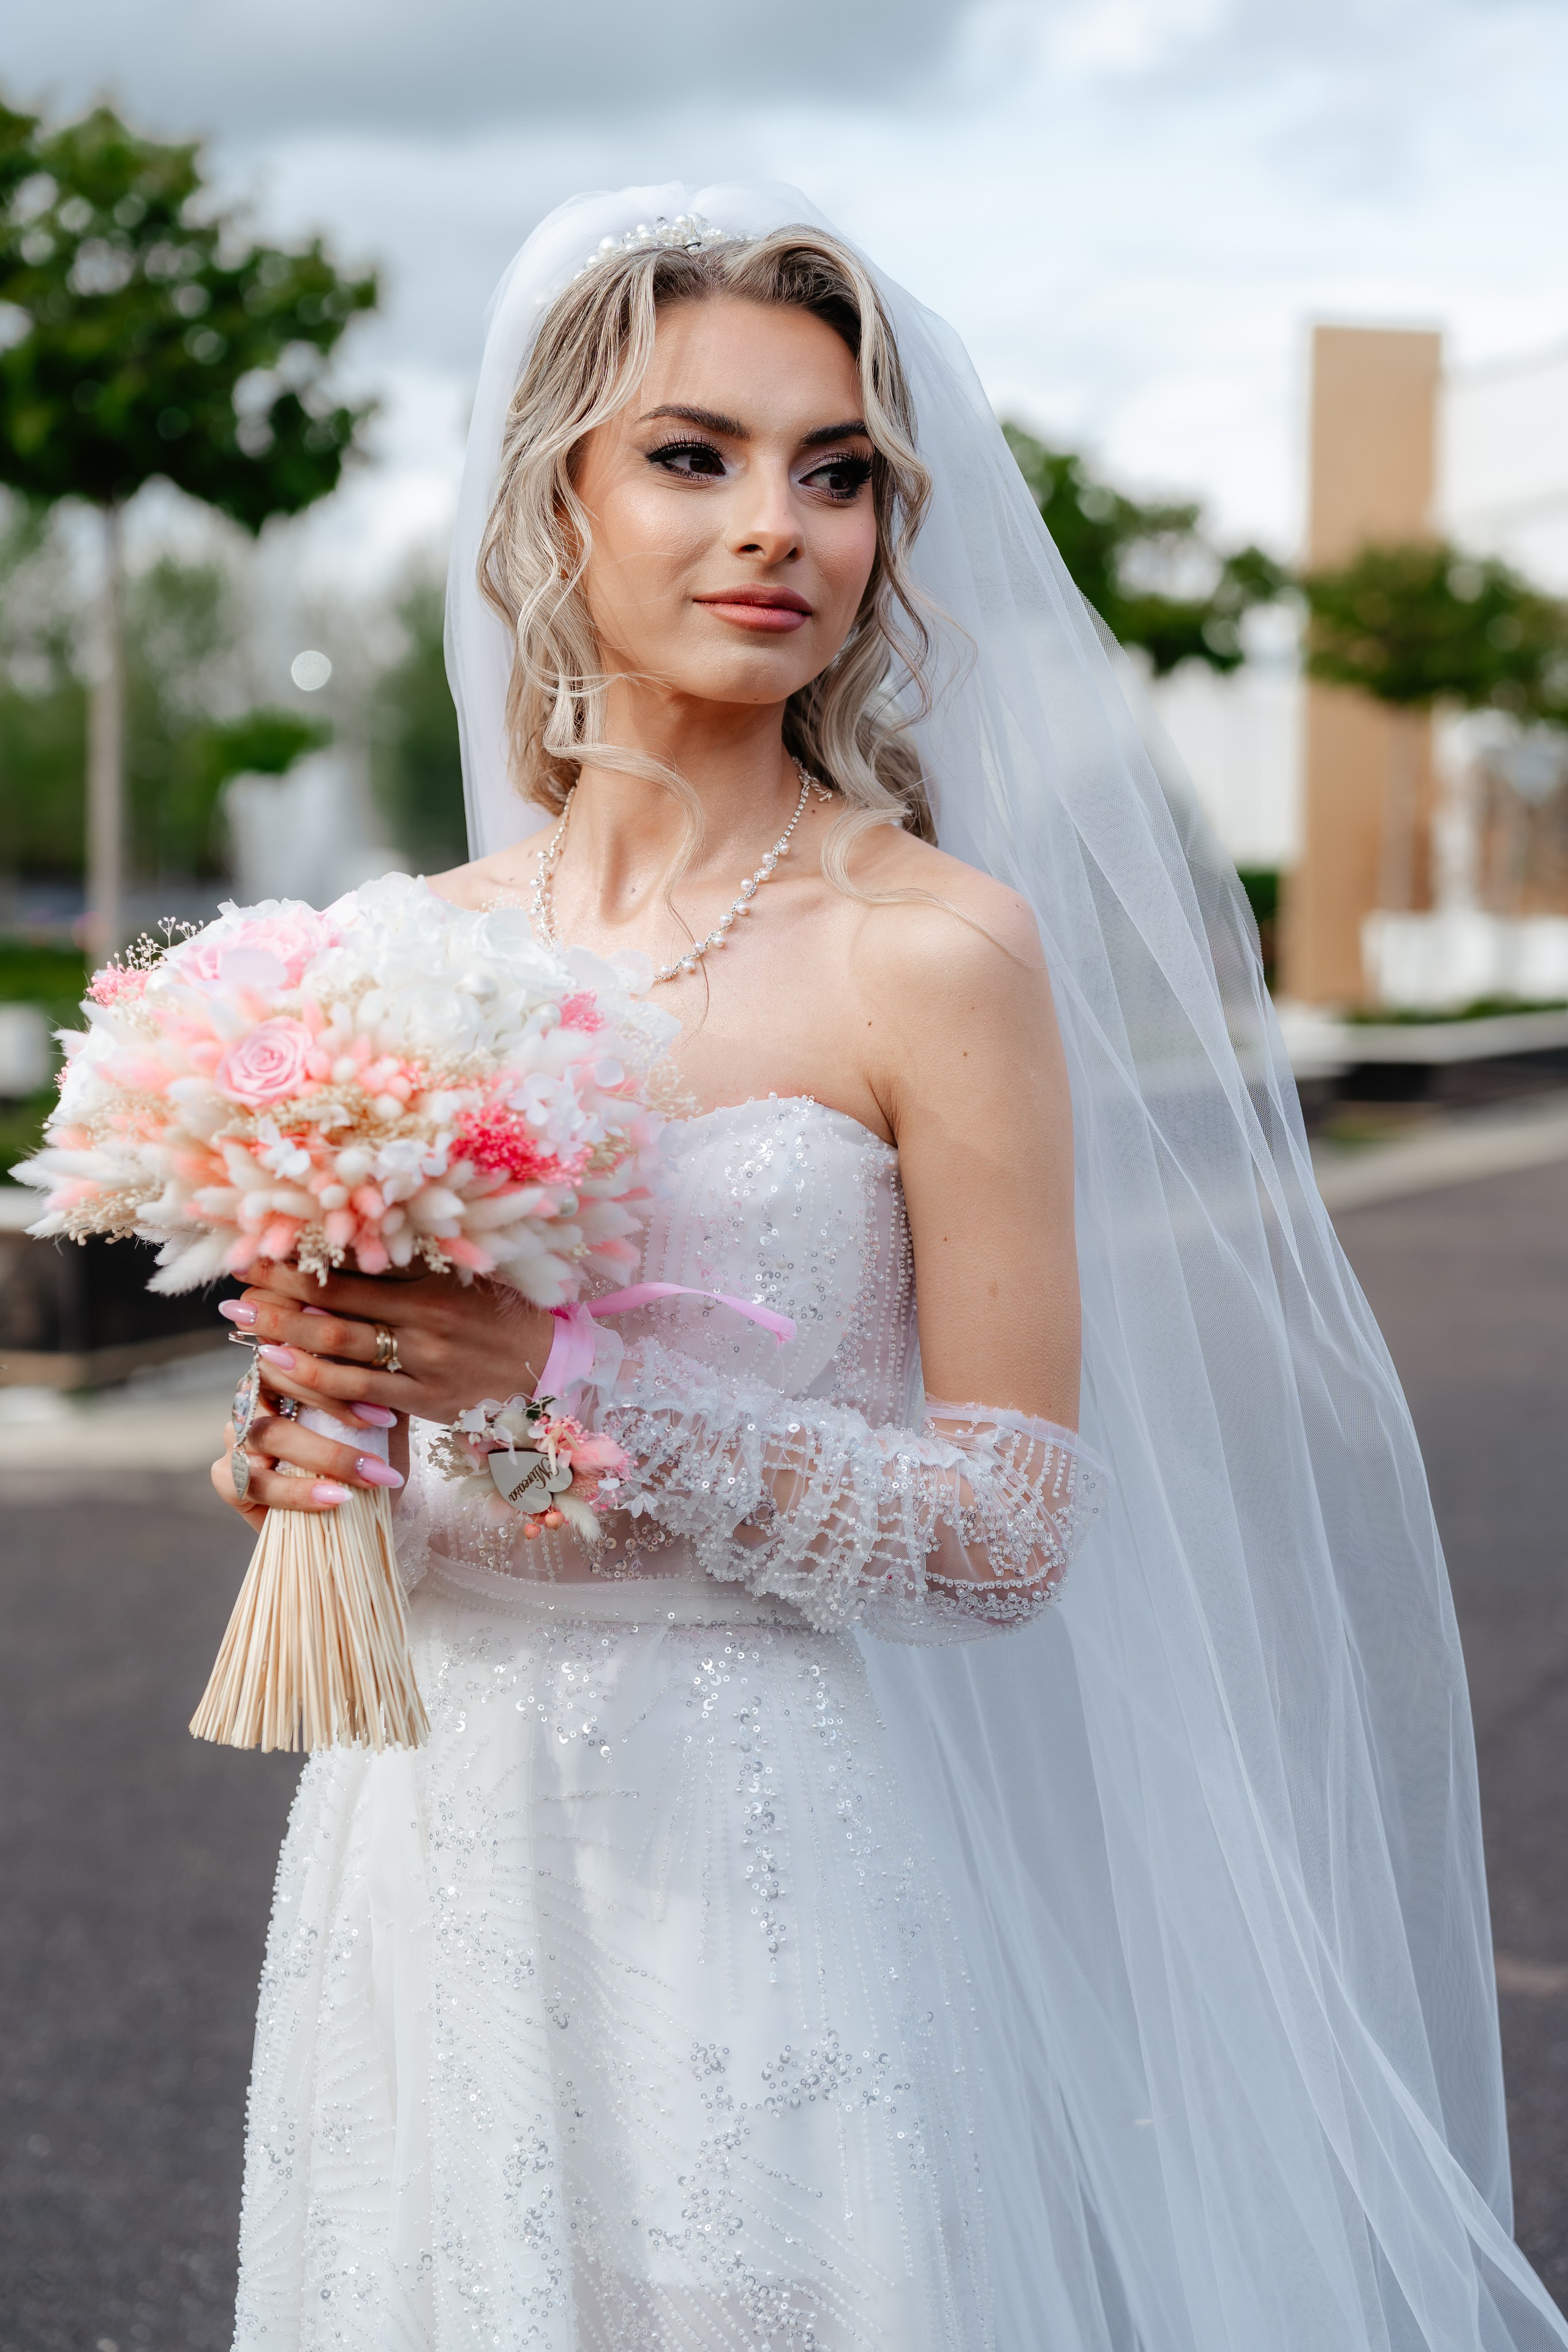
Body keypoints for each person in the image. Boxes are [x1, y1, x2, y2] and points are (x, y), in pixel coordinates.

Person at [212, 188, 1568, 2351]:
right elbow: (412, 1431)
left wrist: (568, 1383)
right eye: (695, 454)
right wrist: (310, 1431)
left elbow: (1017, 1519)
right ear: (552, 495)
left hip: (767, 1856)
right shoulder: (399, 952)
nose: (780, 527)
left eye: (834, 471)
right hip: (431, 1830)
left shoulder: (931, 947)